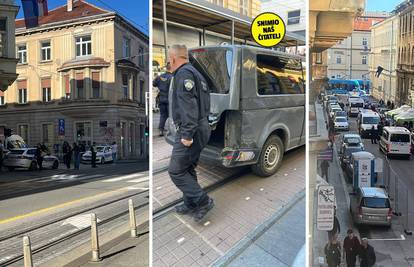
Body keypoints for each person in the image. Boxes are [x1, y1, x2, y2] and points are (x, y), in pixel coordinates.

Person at [167, 44, 213, 222]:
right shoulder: (196, 72)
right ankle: (191, 202)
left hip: (191, 130)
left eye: (168, 60)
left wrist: (187, 135)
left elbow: (189, 107)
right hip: (200, 127)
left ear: (173, 58)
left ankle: (203, 201)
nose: (167, 63)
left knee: (176, 171)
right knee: (187, 168)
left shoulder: (183, 74)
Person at [153, 62, 173, 136]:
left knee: (163, 115)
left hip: (161, 98)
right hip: (170, 99)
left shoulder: (160, 77)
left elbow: (154, 84)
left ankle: (160, 130)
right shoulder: (173, 77)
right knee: (171, 115)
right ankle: (171, 130)